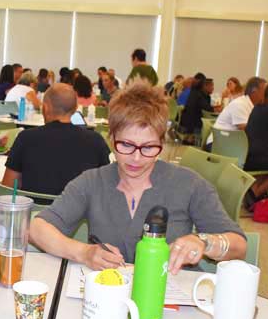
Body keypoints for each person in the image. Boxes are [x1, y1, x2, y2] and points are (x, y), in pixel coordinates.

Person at [28, 85, 246, 272]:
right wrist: (84, 253)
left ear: (163, 142)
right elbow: (37, 228)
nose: (136, 157)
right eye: (126, 145)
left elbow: (239, 245)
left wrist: (204, 242)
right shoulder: (92, 182)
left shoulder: (189, 184)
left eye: (149, 147)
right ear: (111, 138)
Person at [2, 84, 109, 195]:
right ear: (75, 109)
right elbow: (106, 188)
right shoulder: (96, 141)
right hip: (78, 212)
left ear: (46, 107)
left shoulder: (26, 138)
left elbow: (8, 189)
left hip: (35, 211)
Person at [179, 77, 214, 142]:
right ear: (204, 86)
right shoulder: (199, 95)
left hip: (186, 122)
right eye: (211, 85)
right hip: (194, 125)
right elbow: (208, 109)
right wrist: (216, 109)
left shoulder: (194, 93)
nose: (213, 88)